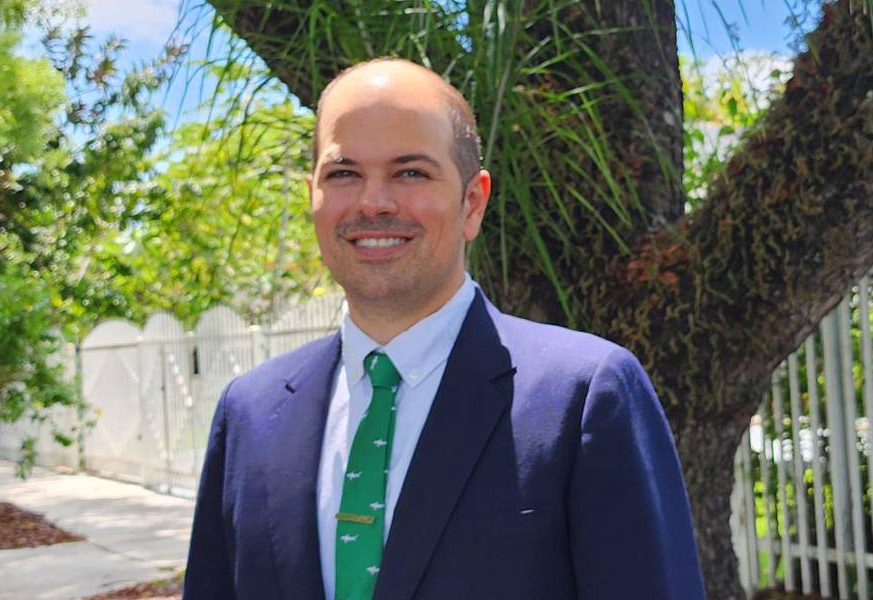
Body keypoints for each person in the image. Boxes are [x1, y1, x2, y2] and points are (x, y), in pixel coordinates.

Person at [183, 57, 705, 600]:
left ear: (472, 203)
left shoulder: (584, 398)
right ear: (312, 194)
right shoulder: (250, 411)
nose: (373, 202)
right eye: (344, 173)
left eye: (410, 172)